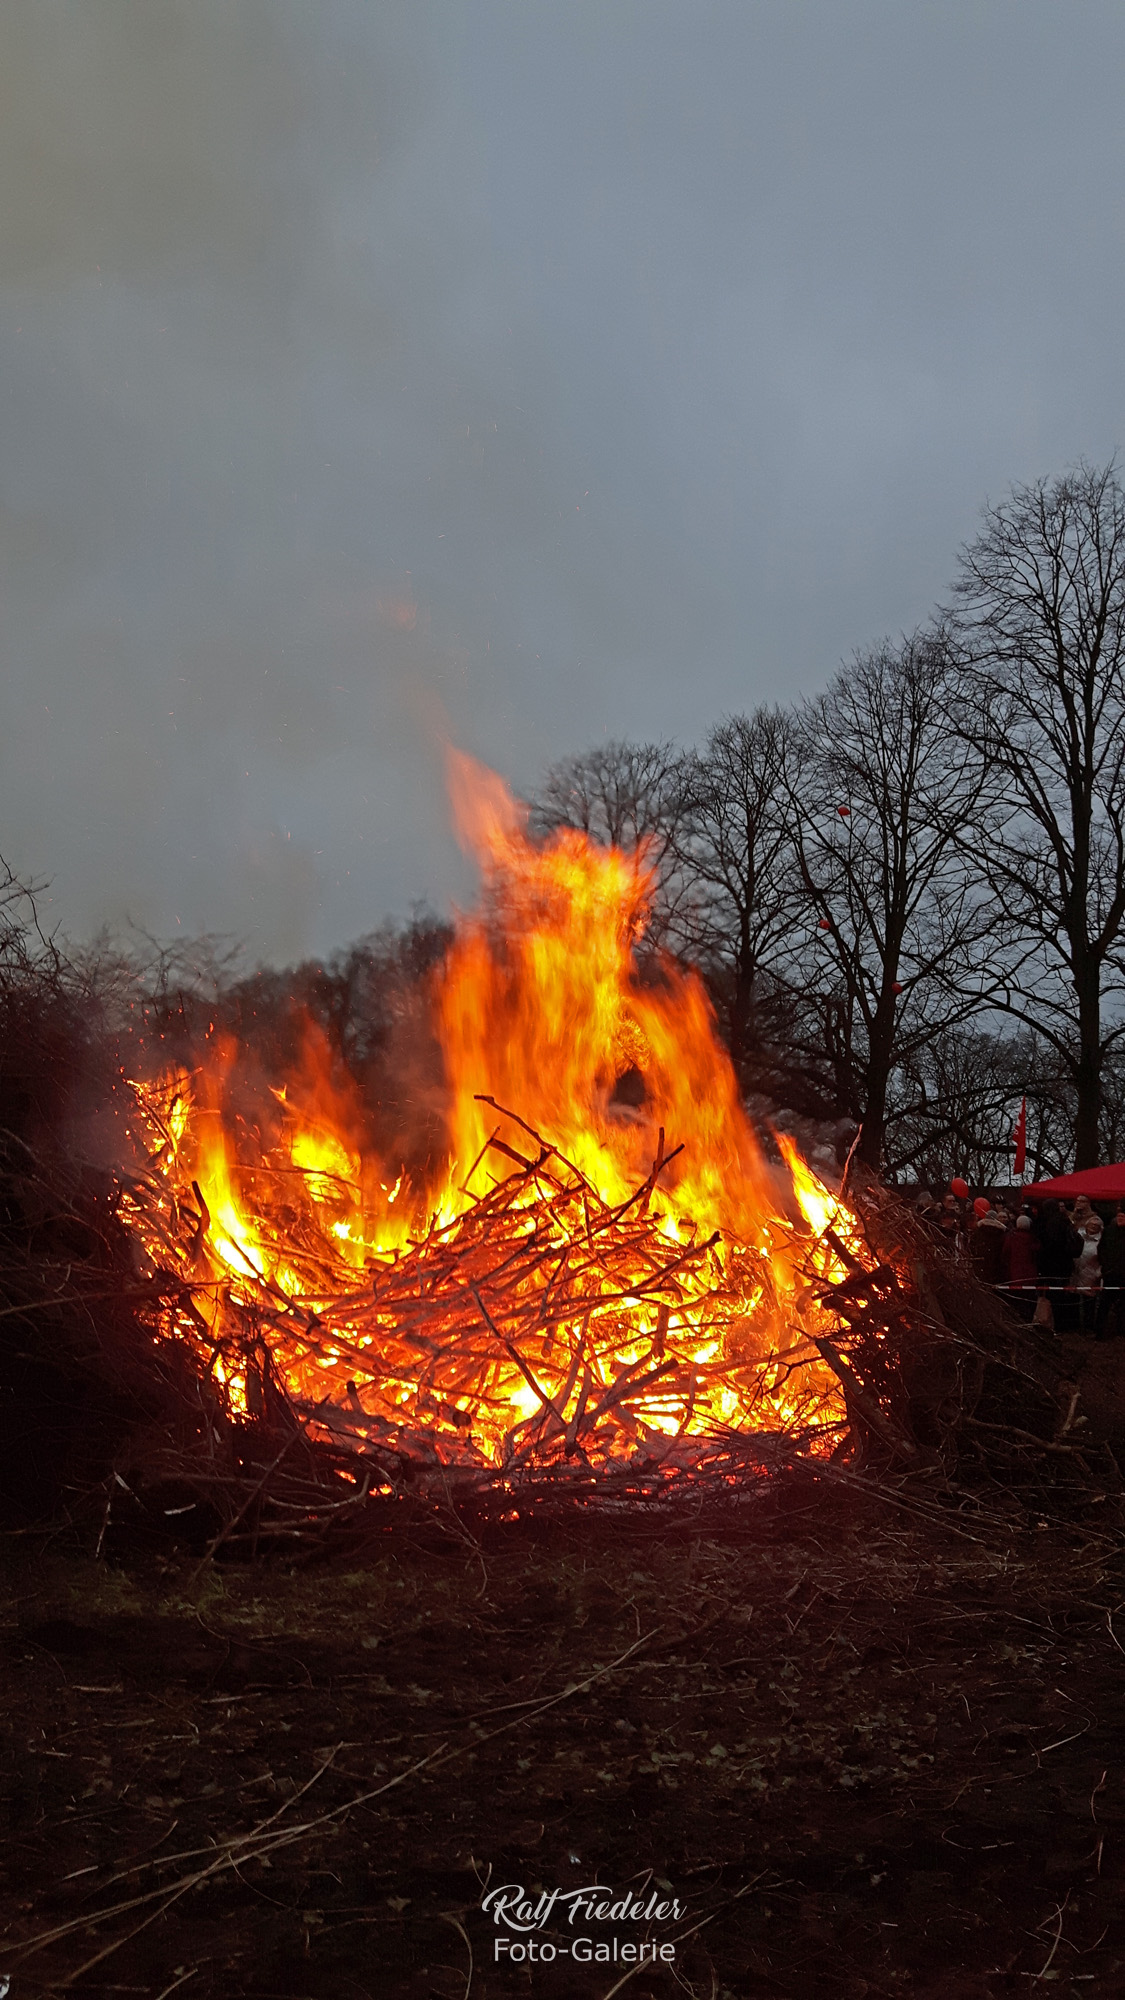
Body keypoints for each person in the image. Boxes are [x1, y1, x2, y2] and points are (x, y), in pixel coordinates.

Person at [1032, 1199, 1083, 1332]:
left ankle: (1054, 1325)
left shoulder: (1049, 1223)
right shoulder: (1065, 1221)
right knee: (1061, 1295)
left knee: (1052, 1297)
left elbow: (1050, 1245)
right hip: (1064, 1265)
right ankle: (1063, 1325)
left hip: (1051, 1266)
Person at [1002, 1212, 1038, 1320]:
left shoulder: (1011, 1238)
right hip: (1030, 1275)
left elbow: (1005, 1254)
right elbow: (1037, 1253)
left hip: (1014, 1275)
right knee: (1029, 1300)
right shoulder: (1033, 1239)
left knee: (1016, 1300)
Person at [1096, 1203, 1125, 1336]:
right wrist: (1105, 1265)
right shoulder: (1109, 1230)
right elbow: (1101, 1248)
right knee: (1105, 1303)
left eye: (1123, 1217)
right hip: (1111, 1272)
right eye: (1119, 1216)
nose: (1120, 1219)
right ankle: (1099, 1331)